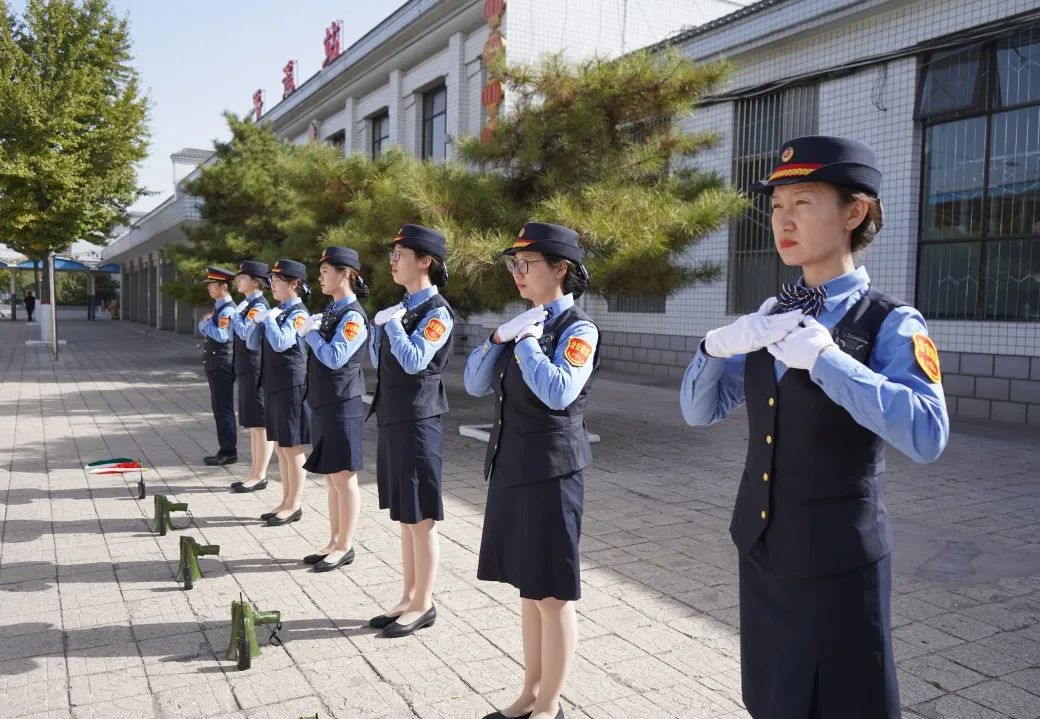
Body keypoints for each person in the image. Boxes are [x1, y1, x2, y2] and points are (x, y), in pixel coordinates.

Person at [680, 135, 950, 719]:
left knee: (845, 704)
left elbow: (928, 434)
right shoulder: (771, 317)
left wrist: (830, 361)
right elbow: (699, 412)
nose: (784, 220)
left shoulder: (890, 321)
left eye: (802, 202)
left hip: (838, 564)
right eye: (777, 207)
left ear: (855, 211)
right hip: (762, 547)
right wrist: (711, 348)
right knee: (774, 699)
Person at [464, 222, 598, 719]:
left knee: (553, 594)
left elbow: (559, 391)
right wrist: (500, 335)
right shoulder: (522, 323)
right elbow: (476, 382)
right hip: (513, 468)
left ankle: (550, 705)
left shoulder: (579, 329)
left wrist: (525, 343)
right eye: (512, 265)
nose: (516, 274)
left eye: (526, 264)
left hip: (552, 475)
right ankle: (529, 692)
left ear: (560, 269)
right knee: (527, 587)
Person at [367, 224, 454, 638]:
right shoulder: (398, 308)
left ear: (425, 261)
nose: (393, 260)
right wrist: (379, 328)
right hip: (394, 418)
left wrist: (393, 325)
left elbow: (415, 358)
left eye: (401, 253)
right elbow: (376, 356)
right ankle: (408, 595)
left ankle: (424, 602)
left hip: (420, 422)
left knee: (421, 517)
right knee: (404, 514)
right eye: (393, 253)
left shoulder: (437, 312)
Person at [297, 246, 369, 571]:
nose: (320, 277)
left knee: (343, 476)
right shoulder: (330, 311)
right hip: (325, 403)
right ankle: (333, 540)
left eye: (326, 271)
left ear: (345, 274)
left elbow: (335, 356)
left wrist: (311, 333)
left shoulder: (352, 315)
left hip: (343, 404)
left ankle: (346, 545)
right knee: (330, 477)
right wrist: (307, 332)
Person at [246, 259, 311, 526]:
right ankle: (285, 500)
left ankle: (294, 504)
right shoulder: (278, 312)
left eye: (278, 280)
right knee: (282, 448)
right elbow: (252, 343)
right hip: (274, 384)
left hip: (291, 386)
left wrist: (269, 320)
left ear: (294, 284)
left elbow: (282, 341)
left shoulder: (298, 314)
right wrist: (257, 323)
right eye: (271, 280)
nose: (272, 284)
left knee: (292, 446)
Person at [228, 261, 275, 493]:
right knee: (254, 426)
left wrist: (235, 316)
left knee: (261, 425)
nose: (238, 281)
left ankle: (260, 475)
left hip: (256, 369)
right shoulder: (248, 305)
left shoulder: (258, 306)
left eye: (242, 277)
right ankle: (255, 472)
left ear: (255, 281)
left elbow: (247, 332)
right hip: (247, 369)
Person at [197, 267, 238, 466]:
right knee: (219, 408)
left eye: (212, 284)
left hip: (222, 363)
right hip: (215, 362)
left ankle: (229, 451)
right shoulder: (218, 307)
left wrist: (206, 325)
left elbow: (222, 335)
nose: (209, 288)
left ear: (224, 286)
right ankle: (225, 449)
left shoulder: (228, 308)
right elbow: (202, 326)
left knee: (223, 408)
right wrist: (205, 324)